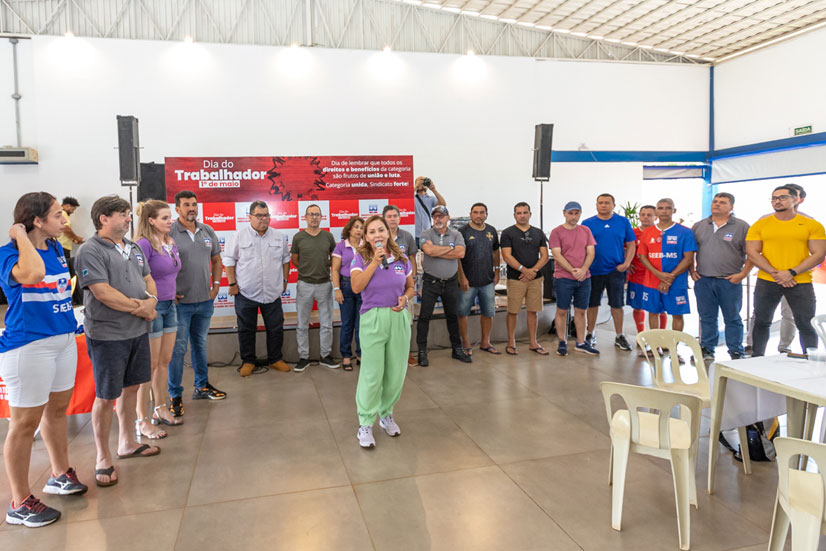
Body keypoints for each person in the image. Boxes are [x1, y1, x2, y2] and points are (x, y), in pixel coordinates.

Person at [1, 192, 87, 528]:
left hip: (63, 340)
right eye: (56, 215)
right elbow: (33, 275)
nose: (64, 220)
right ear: (37, 221)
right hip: (28, 347)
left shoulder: (55, 249)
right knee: (23, 426)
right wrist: (21, 235)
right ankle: (19, 501)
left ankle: (59, 474)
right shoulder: (8, 255)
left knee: (56, 412)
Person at [74, 195, 161, 489]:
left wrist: (150, 300)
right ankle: (102, 457)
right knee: (106, 395)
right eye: (123, 214)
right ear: (104, 218)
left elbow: (148, 279)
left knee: (132, 387)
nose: (128, 219)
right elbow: (102, 293)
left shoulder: (134, 247)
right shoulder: (90, 250)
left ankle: (127, 443)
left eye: (128, 214)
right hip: (108, 335)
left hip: (137, 331)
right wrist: (141, 308)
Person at [349, 215, 415, 448]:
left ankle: (386, 415)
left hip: (398, 317)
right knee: (372, 373)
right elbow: (356, 287)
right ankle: (365, 423)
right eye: (372, 231)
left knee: (396, 372)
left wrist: (405, 298)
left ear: (388, 232)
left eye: (381, 230)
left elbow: (410, 286)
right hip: (373, 318)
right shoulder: (360, 258)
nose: (377, 235)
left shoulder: (402, 258)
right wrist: (375, 262)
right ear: (366, 237)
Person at [745, 185, 826, 357]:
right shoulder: (761, 224)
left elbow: (819, 254)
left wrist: (792, 272)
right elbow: (752, 252)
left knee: (805, 323)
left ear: (795, 199)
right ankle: (756, 358)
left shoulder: (811, 224)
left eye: (782, 197)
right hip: (767, 281)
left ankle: (811, 360)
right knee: (761, 321)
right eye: (774, 198)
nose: (777, 201)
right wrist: (776, 273)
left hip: (800, 282)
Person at [168, 190, 226, 417]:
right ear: (177, 209)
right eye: (186, 205)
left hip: (204, 301)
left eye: (194, 204)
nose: (191, 208)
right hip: (180, 304)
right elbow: (159, 264)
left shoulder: (207, 230)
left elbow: (217, 260)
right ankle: (175, 395)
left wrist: (217, 285)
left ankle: (202, 386)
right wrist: (167, 291)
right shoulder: (169, 232)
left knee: (200, 345)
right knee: (178, 350)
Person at [223, 201, 292, 377]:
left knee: (275, 327)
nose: (264, 219)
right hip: (246, 292)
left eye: (266, 215)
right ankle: (248, 361)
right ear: (250, 217)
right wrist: (232, 284)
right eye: (259, 215)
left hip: (272, 292)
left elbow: (285, 259)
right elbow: (229, 260)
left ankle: (275, 359)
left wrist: (285, 280)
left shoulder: (278, 236)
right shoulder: (239, 236)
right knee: (246, 328)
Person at [134, 200, 183, 440]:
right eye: (164, 218)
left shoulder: (169, 242)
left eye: (169, 217)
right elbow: (136, 278)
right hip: (153, 308)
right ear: (151, 220)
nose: (169, 221)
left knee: (164, 362)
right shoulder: (143, 244)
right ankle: (141, 419)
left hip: (170, 305)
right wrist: (148, 304)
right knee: (149, 366)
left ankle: (160, 408)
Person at [690, 192, 751, 364]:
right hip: (704, 280)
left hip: (729, 281)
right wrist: (691, 270)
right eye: (715, 201)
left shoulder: (741, 226)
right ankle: (707, 349)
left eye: (722, 202)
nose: (717, 204)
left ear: (731, 207)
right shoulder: (700, 226)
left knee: (732, 317)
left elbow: (752, 254)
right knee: (707, 316)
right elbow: (689, 251)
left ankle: (736, 351)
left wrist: (743, 274)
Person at [417, 205, 471, 366]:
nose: (438, 219)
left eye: (441, 216)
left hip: (450, 283)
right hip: (430, 282)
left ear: (448, 218)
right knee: (424, 317)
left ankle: (457, 349)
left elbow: (460, 253)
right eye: (435, 217)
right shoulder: (426, 234)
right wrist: (449, 249)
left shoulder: (456, 234)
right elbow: (429, 251)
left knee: (453, 316)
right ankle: (421, 351)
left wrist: (436, 249)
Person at [581, 193, 636, 351]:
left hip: (615, 270)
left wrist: (626, 263)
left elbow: (631, 244)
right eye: (600, 203)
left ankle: (619, 335)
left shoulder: (623, 222)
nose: (603, 205)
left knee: (617, 304)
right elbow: (583, 247)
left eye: (607, 203)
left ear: (613, 205)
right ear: (596, 205)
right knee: (592, 304)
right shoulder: (587, 223)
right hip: (593, 270)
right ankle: (590, 333)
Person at [637, 198, 697, 333]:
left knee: (677, 314)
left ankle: (674, 348)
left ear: (674, 210)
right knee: (653, 312)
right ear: (656, 211)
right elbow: (643, 256)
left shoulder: (685, 232)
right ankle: (655, 346)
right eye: (661, 208)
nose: (664, 211)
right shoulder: (647, 232)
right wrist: (658, 274)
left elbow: (688, 258)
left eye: (668, 208)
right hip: (652, 281)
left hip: (677, 281)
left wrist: (669, 278)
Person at [291, 204, 338, 372]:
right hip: (304, 284)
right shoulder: (298, 237)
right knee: (302, 324)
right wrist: (307, 269)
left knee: (326, 323)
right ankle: (303, 357)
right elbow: (295, 260)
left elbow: (335, 258)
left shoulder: (328, 236)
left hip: (325, 284)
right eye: (311, 214)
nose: (314, 217)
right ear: (305, 217)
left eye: (317, 214)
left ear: (321, 217)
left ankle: (326, 356)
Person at [548, 201, 598, 356]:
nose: (574, 216)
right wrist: (573, 271)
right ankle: (562, 341)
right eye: (571, 213)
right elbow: (557, 254)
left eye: (577, 213)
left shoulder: (586, 230)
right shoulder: (556, 232)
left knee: (581, 311)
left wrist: (583, 270)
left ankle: (581, 342)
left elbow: (591, 252)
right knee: (562, 310)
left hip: (584, 278)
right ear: (564, 213)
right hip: (564, 278)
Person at [500, 202, 549, 356]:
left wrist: (532, 271)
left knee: (533, 311)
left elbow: (545, 256)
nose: (522, 215)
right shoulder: (508, 233)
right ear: (514, 215)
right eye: (519, 213)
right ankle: (511, 341)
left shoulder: (538, 233)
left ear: (530, 214)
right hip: (516, 278)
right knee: (513, 311)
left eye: (525, 212)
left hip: (535, 278)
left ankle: (533, 342)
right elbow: (506, 256)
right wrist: (523, 270)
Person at [457, 202, 501, 355]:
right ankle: (466, 343)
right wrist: (462, 277)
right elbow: (457, 258)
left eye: (482, 212)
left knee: (488, 312)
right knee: (463, 312)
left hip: (487, 280)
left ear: (486, 214)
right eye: (475, 212)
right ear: (470, 214)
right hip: (468, 281)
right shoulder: (462, 232)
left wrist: (497, 272)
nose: (478, 215)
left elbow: (496, 252)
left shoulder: (491, 231)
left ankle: (485, 342)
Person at [627, 205, 667, 353]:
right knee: (638, 306)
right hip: (637, 277)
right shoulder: (633, 233)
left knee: (659, 308)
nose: (645, 217)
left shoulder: (661, 233)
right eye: (643, 214)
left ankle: (660, 337)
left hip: (655, 277)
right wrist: (628, 264)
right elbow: (625, 249)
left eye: (649, 215)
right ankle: (641, 335)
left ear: (655, 217)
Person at [382, 204, 418, 367]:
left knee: (406, 322)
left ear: (399, 218)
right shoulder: (378, 237)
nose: (392, 219)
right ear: (384, 218)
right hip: (383, 289)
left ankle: (407, 354)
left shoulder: (407, 236)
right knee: (385, 323)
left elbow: (412, 259)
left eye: (395, 216)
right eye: (389, 216)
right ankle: (387, 356)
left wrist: (413, 278)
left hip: (404, 288)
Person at [332, 216, 364, 371]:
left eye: (361, 227)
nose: (359, 230)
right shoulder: (340, 246)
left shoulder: (367, 246)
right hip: (345, 286)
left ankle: (360, 354)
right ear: (349, 229)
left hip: (364, 287)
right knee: (347, 324)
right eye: (356, 227)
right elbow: (335, 270)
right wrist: (337, 289)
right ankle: (346, 356)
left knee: (361, 324)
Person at [58, 197, 84, 305]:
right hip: (62, 248)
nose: (73, 212)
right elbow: (65, 229)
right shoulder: (63, 214)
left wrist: (73, 239)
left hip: (64, 247)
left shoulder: (62, 214)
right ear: (67, 206)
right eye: (73, 209)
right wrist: (76, 237)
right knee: (65, 273)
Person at [413, 176, 446, 247]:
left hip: (427, 234)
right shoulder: (412, 198)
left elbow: (443, 204)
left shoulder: (431, 199)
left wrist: (434, 190)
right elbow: (405, 197)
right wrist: (416, 187)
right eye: (420, 181)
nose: (422, 183)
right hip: (414, 234)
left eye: (424, 181)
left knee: (427, 256)